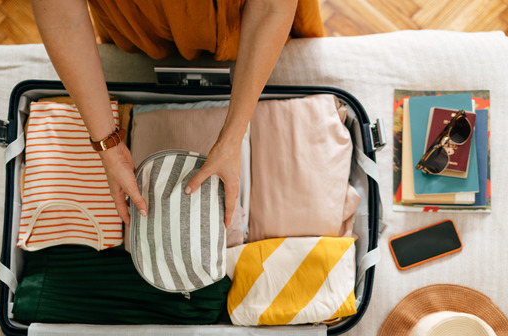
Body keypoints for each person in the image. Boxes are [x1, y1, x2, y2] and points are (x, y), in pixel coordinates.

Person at [31, 0, 323, 228]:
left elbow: (271, 8)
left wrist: (234, 136)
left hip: (248, 23)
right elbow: (63, 19)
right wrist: (108, 147)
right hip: (140, 26)